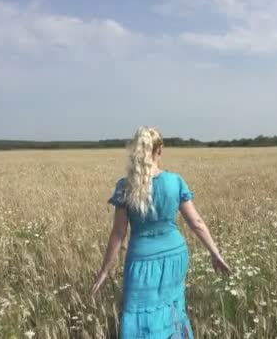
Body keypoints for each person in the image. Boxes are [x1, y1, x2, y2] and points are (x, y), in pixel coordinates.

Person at [91, 126, 231, 338]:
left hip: (141, 260)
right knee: (173, 310)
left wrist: (104, 271)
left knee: (138, 314)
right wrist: (215, 253)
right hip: (176, 255)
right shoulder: (175, 181)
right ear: (160, 150)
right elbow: (197, 223)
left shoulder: (125, 186)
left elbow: (118, 235)